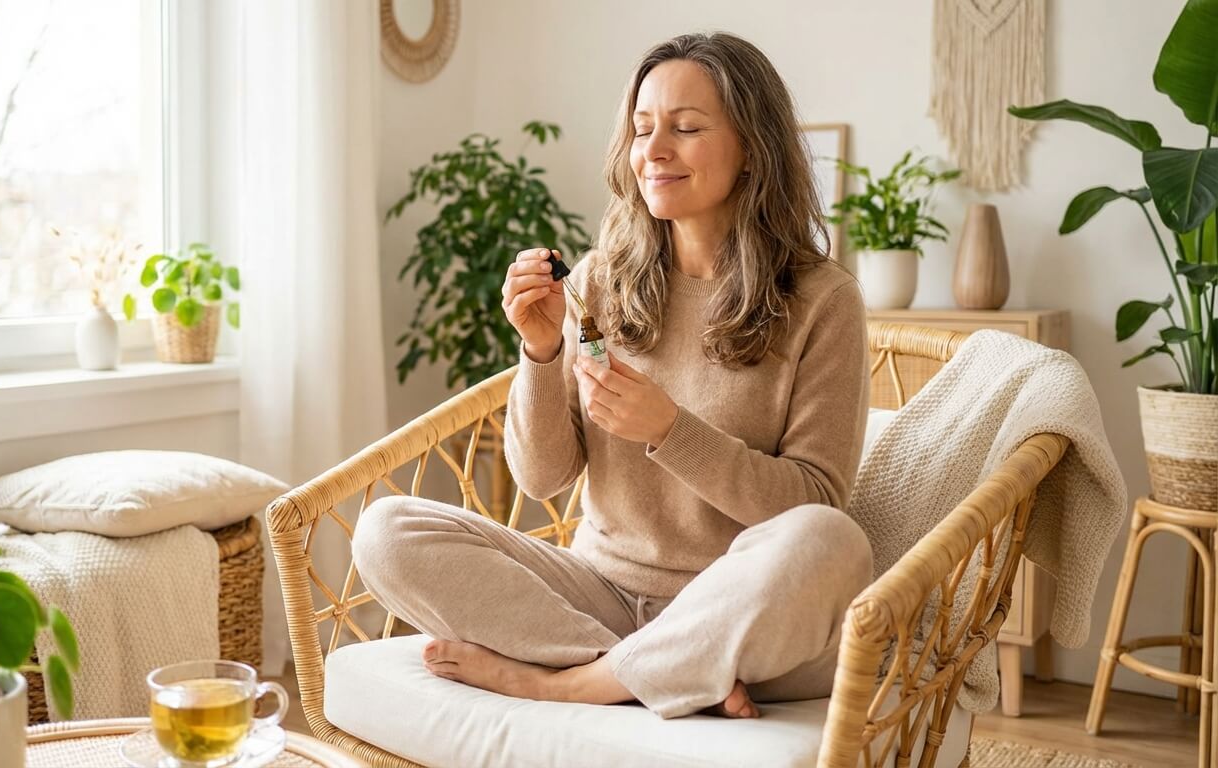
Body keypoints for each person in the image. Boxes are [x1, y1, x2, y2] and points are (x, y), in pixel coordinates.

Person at [353, 31, 872, 720]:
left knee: (830, 545)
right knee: (385, 531)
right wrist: (539, 355)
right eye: (642, 129)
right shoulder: (601, 281)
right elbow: (542, 478)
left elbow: (814, 500)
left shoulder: (822, 301)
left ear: (754, 149)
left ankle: (566, 682)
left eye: (685, 129)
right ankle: (656, 672)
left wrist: (670, 430)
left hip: (735, 608)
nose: (654, 151)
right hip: (599, 590)